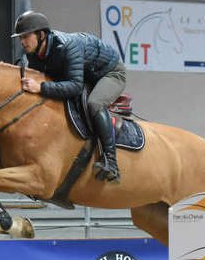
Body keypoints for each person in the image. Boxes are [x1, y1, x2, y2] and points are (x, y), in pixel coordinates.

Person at [12, 10, 126, 183]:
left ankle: (111, 163)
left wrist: (41, 87)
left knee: (94, 103)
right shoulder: (32, 53)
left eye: (26, 36)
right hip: (85, 73)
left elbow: (74, 86)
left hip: (109, 73)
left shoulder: (67, 47)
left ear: (41, 35)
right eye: (20, 37)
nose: (22, 41)